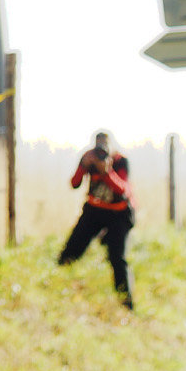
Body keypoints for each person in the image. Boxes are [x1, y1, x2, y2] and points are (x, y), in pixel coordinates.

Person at [58, 131, 135, 309]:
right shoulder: (89, 158)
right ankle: (56, 288)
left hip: (118, 214)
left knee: (117, 258)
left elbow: (123, 189)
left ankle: (126, 304)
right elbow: (74, 183)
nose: (101, 150)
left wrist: (107, 172)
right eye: (98, 145)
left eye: (105, 146)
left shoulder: (120, 161)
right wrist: (84, 165)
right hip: (94, 210)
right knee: (71, 250)